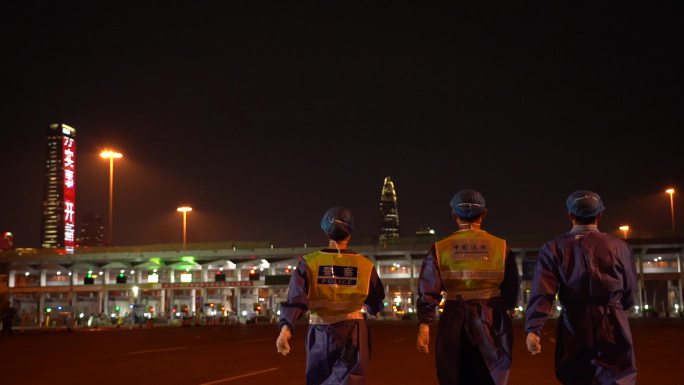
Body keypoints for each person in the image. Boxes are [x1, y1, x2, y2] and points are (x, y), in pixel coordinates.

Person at [525, 190, 637, 384]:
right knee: (618, 375)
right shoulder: (620, 247)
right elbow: (629, 291)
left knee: (575, 376)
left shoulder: (553, 248)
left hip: (573, 325)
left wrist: (534, 329)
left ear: (570, 215)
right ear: (600, 214)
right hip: (612, 322)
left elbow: (543, 291)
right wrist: (618, 308)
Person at [416, 189, 520, 385]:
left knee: (456, 373)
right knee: (492, 373)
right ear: (484, 213)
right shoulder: (501, 247)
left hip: (454, 319)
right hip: (492, 318)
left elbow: (428, 289)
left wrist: (424, 325)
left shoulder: (440, 248)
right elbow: (512, 290)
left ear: (454, 215)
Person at [276, 207, 385, 385]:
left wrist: (285, 330)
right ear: (349, 233)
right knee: (351, 380)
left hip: (319, 333)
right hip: (353, 333)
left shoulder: (308, 264)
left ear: (326, 231)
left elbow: (295, 299)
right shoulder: (365, 265)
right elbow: (376, 303)